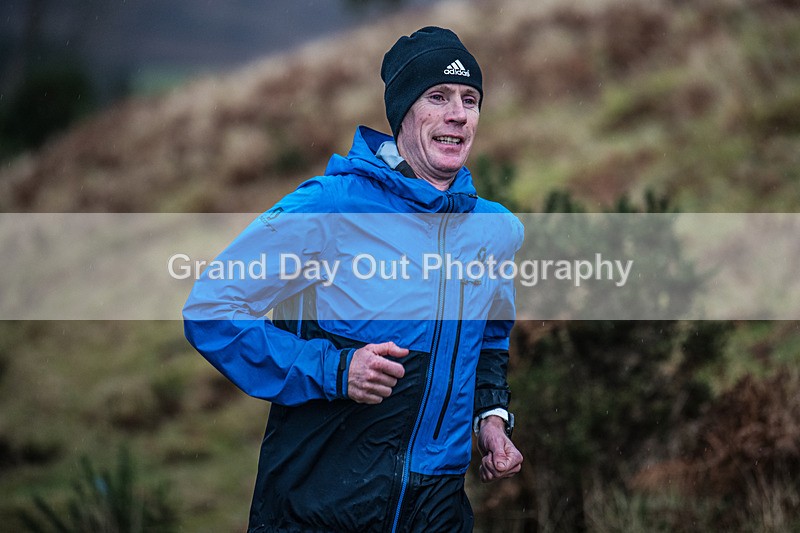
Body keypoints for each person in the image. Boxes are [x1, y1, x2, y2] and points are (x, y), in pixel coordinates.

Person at [183, 26, 524, 532]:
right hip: (319, 505)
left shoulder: (493, 231)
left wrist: (490, 418)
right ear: (403, 110)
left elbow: (490, 340)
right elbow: (212, 311)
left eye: (470, 100)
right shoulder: (331, 206)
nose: (458, 114)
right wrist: (335, 369)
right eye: (438, 96)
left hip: (436, 512)